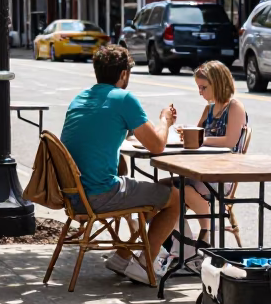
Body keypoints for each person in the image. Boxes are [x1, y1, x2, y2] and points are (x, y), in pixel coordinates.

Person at [61, 44, 182, 285]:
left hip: (73, 195)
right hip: (100, 193)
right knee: (177, 197)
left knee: (159, 190)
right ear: (124, 74)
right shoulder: (123, 98)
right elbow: (157, 145)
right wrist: (165, 121)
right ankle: (145, 264)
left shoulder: (80, 97)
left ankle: (122, 256)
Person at [163, 60, 248, 270]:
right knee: (161, 189)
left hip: (221, 175)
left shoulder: (234, 107)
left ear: (218, 83)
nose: (200, 92)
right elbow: (195, 135)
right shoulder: (208, 109)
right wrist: (183, 131)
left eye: (204, 87)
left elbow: (229, 142)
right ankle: (187, 248)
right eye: (199, 88)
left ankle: (198, 241)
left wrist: (198, 138)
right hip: (200, 172)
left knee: (176, 192)